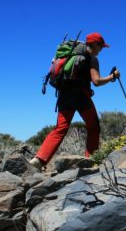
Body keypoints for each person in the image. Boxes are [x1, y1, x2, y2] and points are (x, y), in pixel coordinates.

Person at [30, 32, 120, 169]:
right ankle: (92, 161)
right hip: (80, 95)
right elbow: (96, 81)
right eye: (101, 47)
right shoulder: (91, 58)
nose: (101, 50)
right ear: (95, 44)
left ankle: (40, 159)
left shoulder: (69, 55)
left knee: (60, 128)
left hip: (64, 94)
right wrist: (112, 76)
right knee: (93, 126)